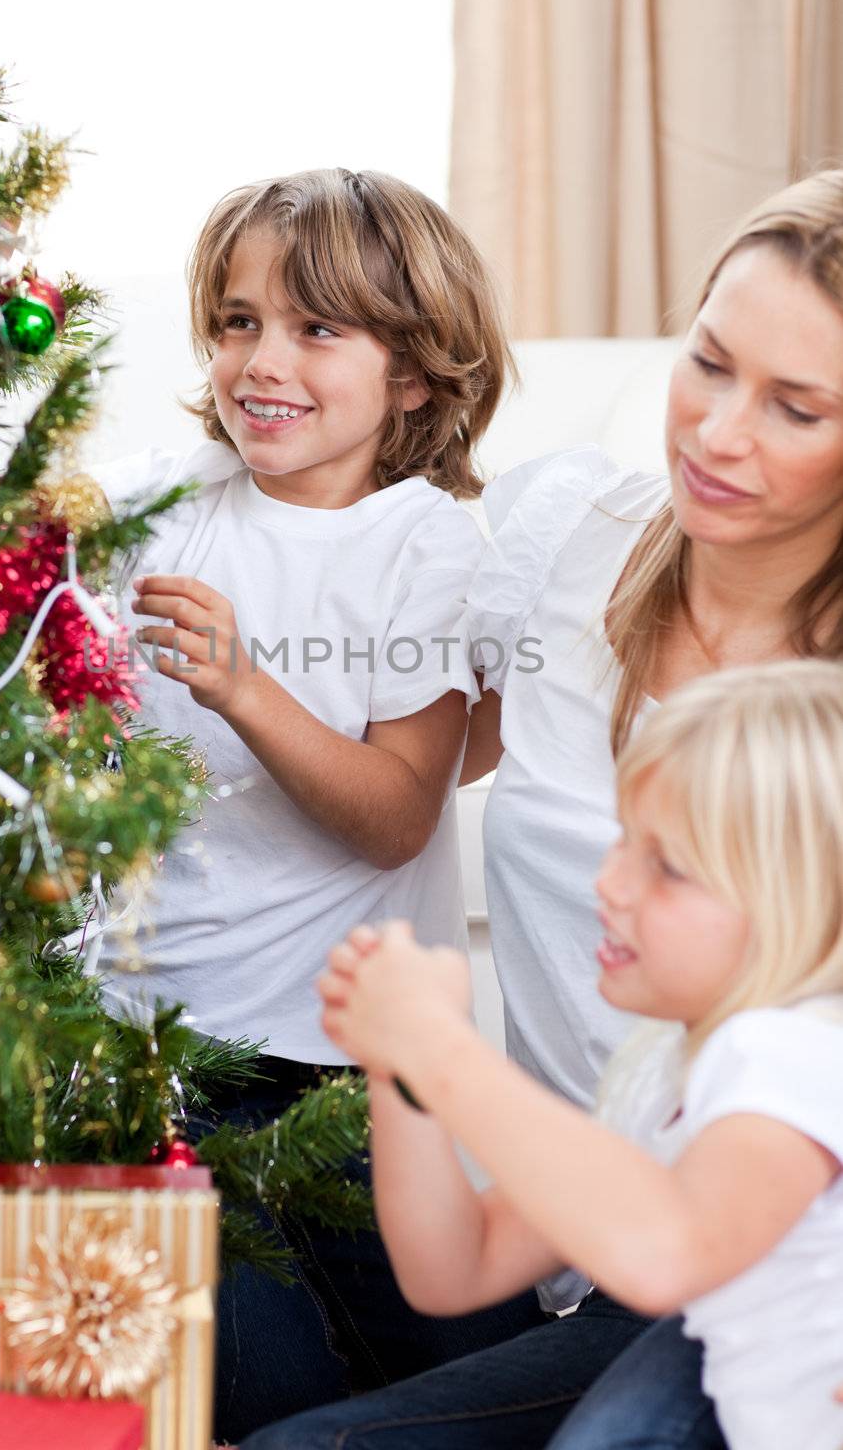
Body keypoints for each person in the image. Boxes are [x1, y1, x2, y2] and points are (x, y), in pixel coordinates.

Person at [240, 168, 843, 1448]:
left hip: (756, 1266)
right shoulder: (561, 542)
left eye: (794, 407)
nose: (717, 433)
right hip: (596, 1248)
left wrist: (443, 1057)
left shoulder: (764, 1066)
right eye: (708, 363)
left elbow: (693, 1231)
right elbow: (389, 770)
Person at [78, 169, 553, 1441]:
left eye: (314, 327)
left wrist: (244, 684)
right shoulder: (162, 507)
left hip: (355, 1071)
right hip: (155, 1052)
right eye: (236, 322)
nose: (260, 360)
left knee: (483, 1365)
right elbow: (14, 534)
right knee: (264, 1388)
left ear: (412, 374)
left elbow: (402, 810)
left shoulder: (427, 545)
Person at [290, 658, 843, 1450]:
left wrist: (441, 1047)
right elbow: (456, 1269)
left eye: (668, 868)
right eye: (622, 843)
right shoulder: (661, 1070)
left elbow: (666, 1255)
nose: (607, 885)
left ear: (801, 900)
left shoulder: (793, 1050)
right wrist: (399, 1068)